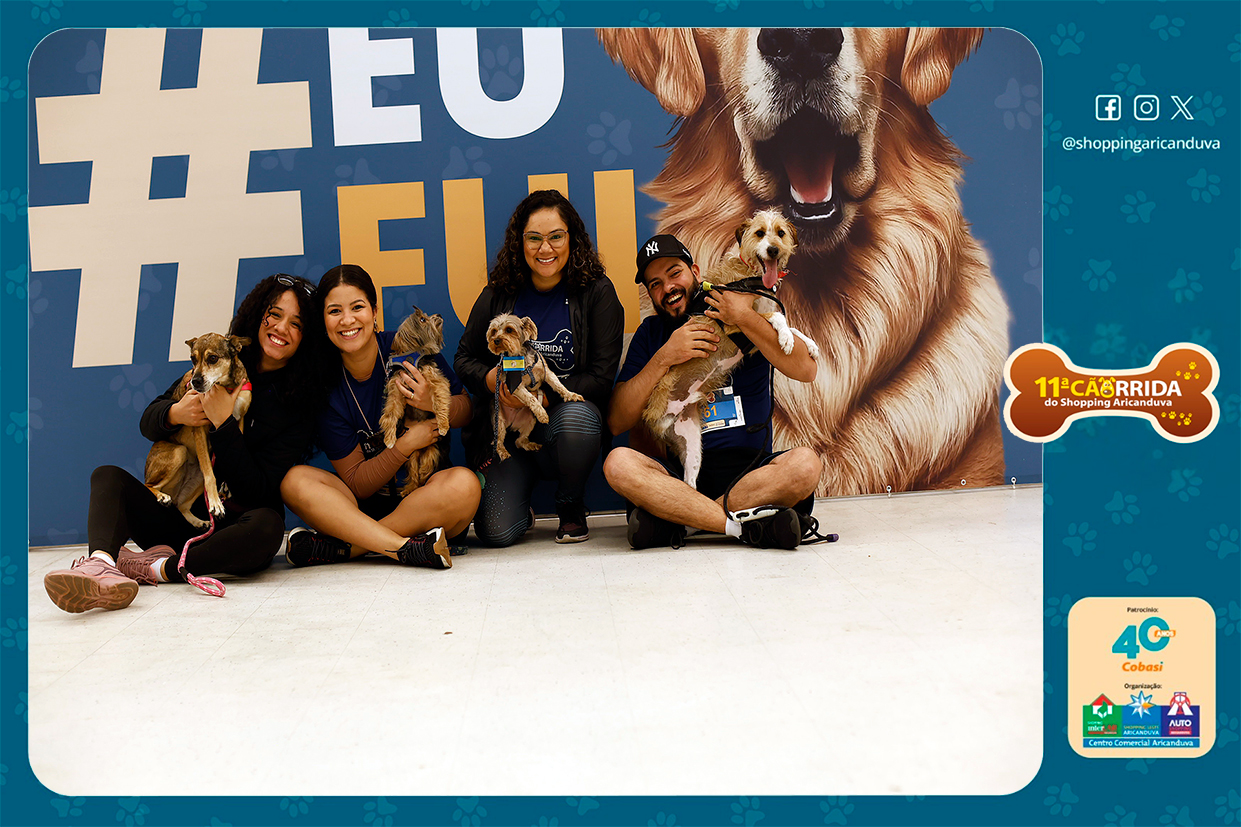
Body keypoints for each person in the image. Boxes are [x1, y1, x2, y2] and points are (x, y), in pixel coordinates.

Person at [44, 274, 329, 613]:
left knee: (269, 527)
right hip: (176, 521)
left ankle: (155, 569)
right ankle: (100, 564)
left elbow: (257, 490)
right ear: (258, 316)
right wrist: (177, 413)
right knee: (107, 476)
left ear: (307, 336)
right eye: (274, 315)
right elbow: (149, 421)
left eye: (296, 324)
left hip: (232, 533)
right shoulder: (213, 362)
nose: (281, 328)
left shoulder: (300, 402)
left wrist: (223, 424)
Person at [603, 234, 826, 550]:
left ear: (695, 272)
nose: (668, 287)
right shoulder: (651, 334)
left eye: (674, 273)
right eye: (655, 284)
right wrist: (665, 357)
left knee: (805, 465)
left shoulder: (745, 310)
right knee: (618, 463)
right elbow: (616, 422)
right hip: (682, 478)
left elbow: (806, 370)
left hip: (752, 475)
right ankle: (748, 525)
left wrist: (743, 317)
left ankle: (684, 521)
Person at [279, 264, 480, 568]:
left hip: (427, 499)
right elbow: (358, 484)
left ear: (374, 312)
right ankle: (404, 547)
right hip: (361, 509)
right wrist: (406, 445)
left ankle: (348, 548)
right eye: (334, 311)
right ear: (322, 320)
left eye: (357, 307)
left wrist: (432, 403)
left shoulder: (409, 346)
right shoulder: (323, 384)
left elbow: (467, 411)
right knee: (294, 482)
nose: (347, 320)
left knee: (464, 485)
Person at [454, 190, 624, 546]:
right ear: (520, 243)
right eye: (534, 238)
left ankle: (570, 505)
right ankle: (519, 502)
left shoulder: (597, 292)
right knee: (496, 532)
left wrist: (542, 398)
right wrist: (491, 380)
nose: (545, 248)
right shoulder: (499, 293)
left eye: (556, 236)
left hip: (562, 425)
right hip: (509, 431)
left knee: (578, 418)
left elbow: (600, 378)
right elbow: (464, 358)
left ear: (572, 239)